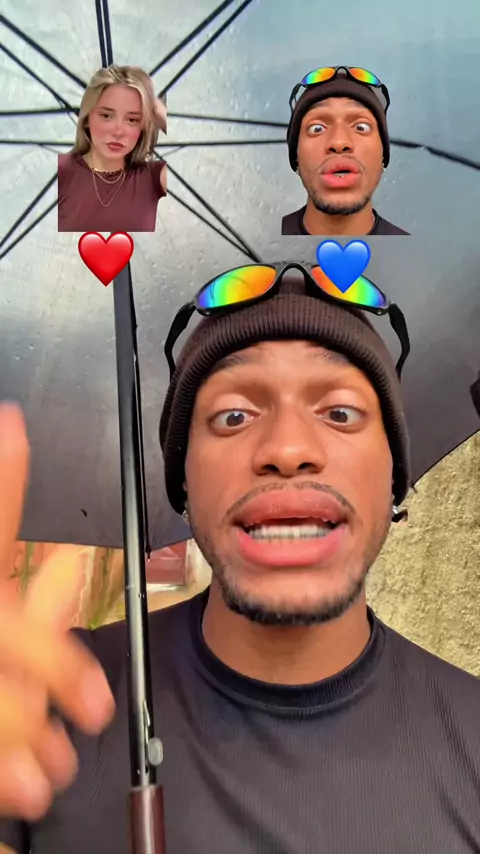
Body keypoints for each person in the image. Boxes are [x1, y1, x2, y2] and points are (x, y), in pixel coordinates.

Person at [0, 265, 479, 854]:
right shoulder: (34, 710)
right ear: (183, 481)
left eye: (339, 412)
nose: (287, 449)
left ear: (394, 476)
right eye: (233, 416)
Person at [282, 66, 410, 236]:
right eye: (317, 128)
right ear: (296, 158)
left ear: (383, 157)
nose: (339, 142)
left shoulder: (418, 250)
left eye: (361, 127)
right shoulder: (260, 241)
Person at [57, 65, 167, 233]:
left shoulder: (154, 178)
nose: (118, 131)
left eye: (132, 120)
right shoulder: (62, 173)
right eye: (106, 116)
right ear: (86, 119)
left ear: (143, 127)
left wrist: (161, 115)